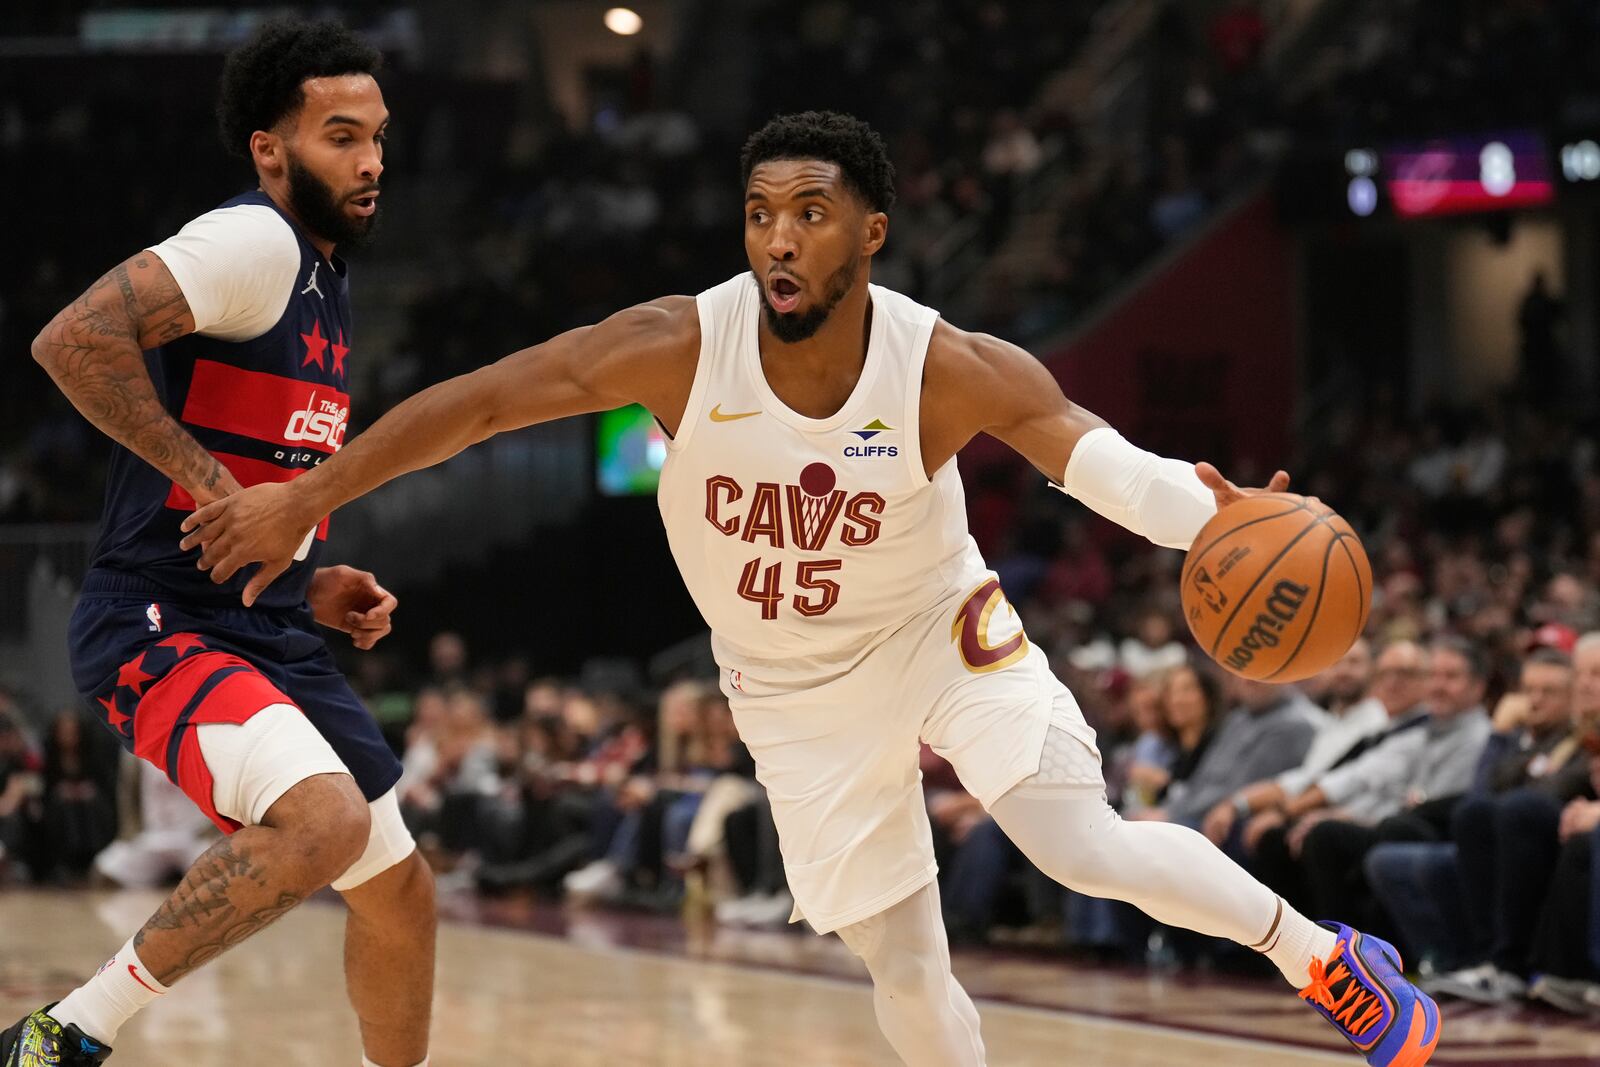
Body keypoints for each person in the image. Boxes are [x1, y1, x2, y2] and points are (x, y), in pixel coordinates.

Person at [183, 111, 1440, 1066]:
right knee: (901, 957)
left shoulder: (943, 363)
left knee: (1078, 843)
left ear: (871, 231)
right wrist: (308, 491)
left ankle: (1324, 958)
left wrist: (1211, 512)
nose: (779, 236)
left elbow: (1097, 462)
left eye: (811, 211)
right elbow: (482, 402)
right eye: (759, 211)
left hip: (936, 628)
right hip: (788, 690)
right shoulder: (680, 344)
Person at [2, 19, 434, 1067]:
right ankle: (62, 1036)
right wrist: (218, 488)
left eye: (377, 135)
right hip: (157, 618)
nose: (371, 159)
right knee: (323, 823)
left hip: (260, 618)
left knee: (403, 894)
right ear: (269, 148)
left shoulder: (326, 274)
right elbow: (72, 339)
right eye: (341, 136)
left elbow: (264, 469)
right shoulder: (256, 243)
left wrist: (305, 568)